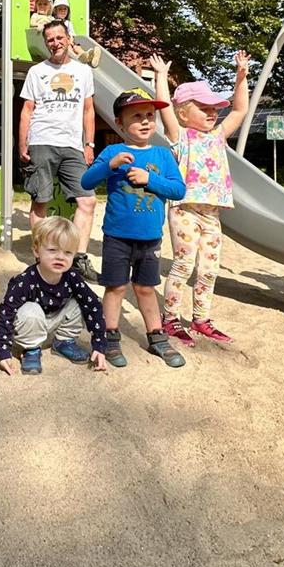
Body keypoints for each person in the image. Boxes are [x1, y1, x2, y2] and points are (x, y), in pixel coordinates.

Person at [81, 88, 187, 368]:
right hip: (116, 236)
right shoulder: (113, 151)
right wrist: (110, 166)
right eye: (136, 116)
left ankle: (157, 338)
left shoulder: (163, 156)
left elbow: (178, 190)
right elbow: (86, 181)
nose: (145, 121)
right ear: (120, 123)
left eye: (150, 116)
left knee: (145, 288)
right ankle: (109, 338)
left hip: (150, 238)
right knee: (115, 287)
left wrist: (149, 179)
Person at [151, 52, 250, 346]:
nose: (212, 113)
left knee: (209, 268)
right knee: (183, 265)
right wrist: (159, 76)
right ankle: (170, 320)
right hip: (185, 211)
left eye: (214, 108)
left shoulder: (218, 135)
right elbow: (164, 107)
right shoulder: (180, 136)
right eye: (204, 108)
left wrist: (241, 76)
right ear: (184, 112)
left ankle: (201, 319)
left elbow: (240, 110)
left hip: (211, 214)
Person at [19, 20, 100, 282]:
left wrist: (89, 144)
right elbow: (27, 110)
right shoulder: (36, 72)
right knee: (40, 200)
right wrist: (23, 143)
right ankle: (41, 258)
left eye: (59, 37)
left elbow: (89, 110)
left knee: (87, 201)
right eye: (50, 39)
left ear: (68, 39)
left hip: (73, 145)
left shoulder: (83, 71)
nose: (55, 42)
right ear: (46, 43)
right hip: (42, 140)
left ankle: (78, 257)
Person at [0, 216, 108, 375]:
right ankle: (31, 349)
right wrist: (3, 352)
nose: (60, 257)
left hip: (54, 320)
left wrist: (99, 345)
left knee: (83, 301)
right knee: (30, 309)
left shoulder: (72, 277)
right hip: (29, 325)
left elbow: (94, 305)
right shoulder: (25, 281)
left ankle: (63, 342)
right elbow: (6, 313)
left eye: (68, 252)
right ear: (36, 250)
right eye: (53, 250)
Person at [51, 0, 100, 67]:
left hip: (69, 41)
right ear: (55, 11)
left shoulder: (68, 23)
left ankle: (87, 56)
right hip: (61, 43)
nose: (63, 11)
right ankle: (77, 58)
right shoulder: (53, 21)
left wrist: (71, 41)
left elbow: (71, 34)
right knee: (69, 48)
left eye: (65, 9)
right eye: (60, 9)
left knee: (77, 47)